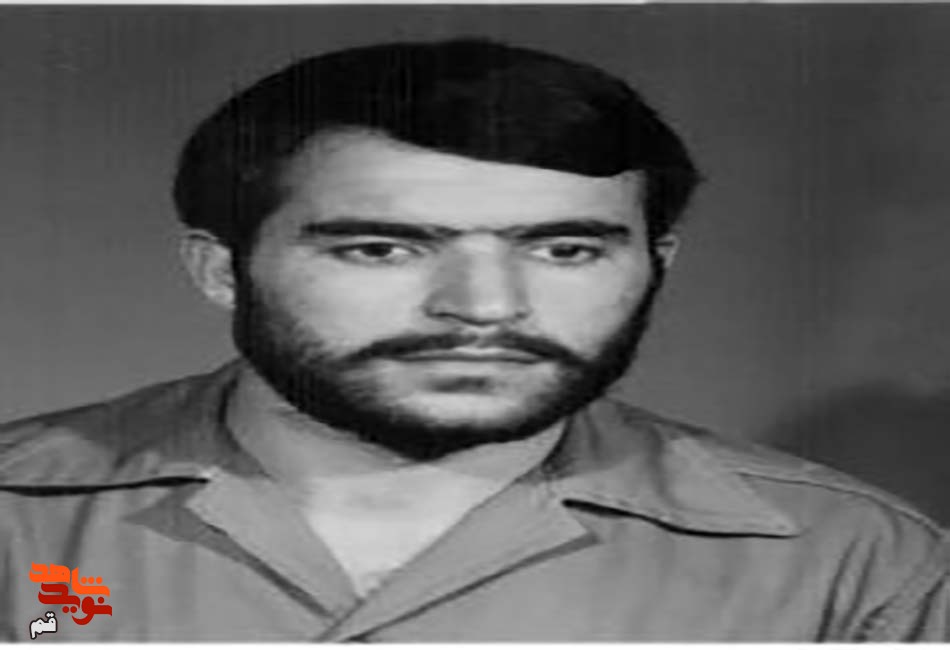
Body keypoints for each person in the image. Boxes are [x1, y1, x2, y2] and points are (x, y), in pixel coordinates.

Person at [1, 38, 947, 642]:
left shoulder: (852, 567)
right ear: (220, 269)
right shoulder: (19, 525)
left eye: (566, 249)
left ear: (656, 264)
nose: (486, 307)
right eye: (382, 248)